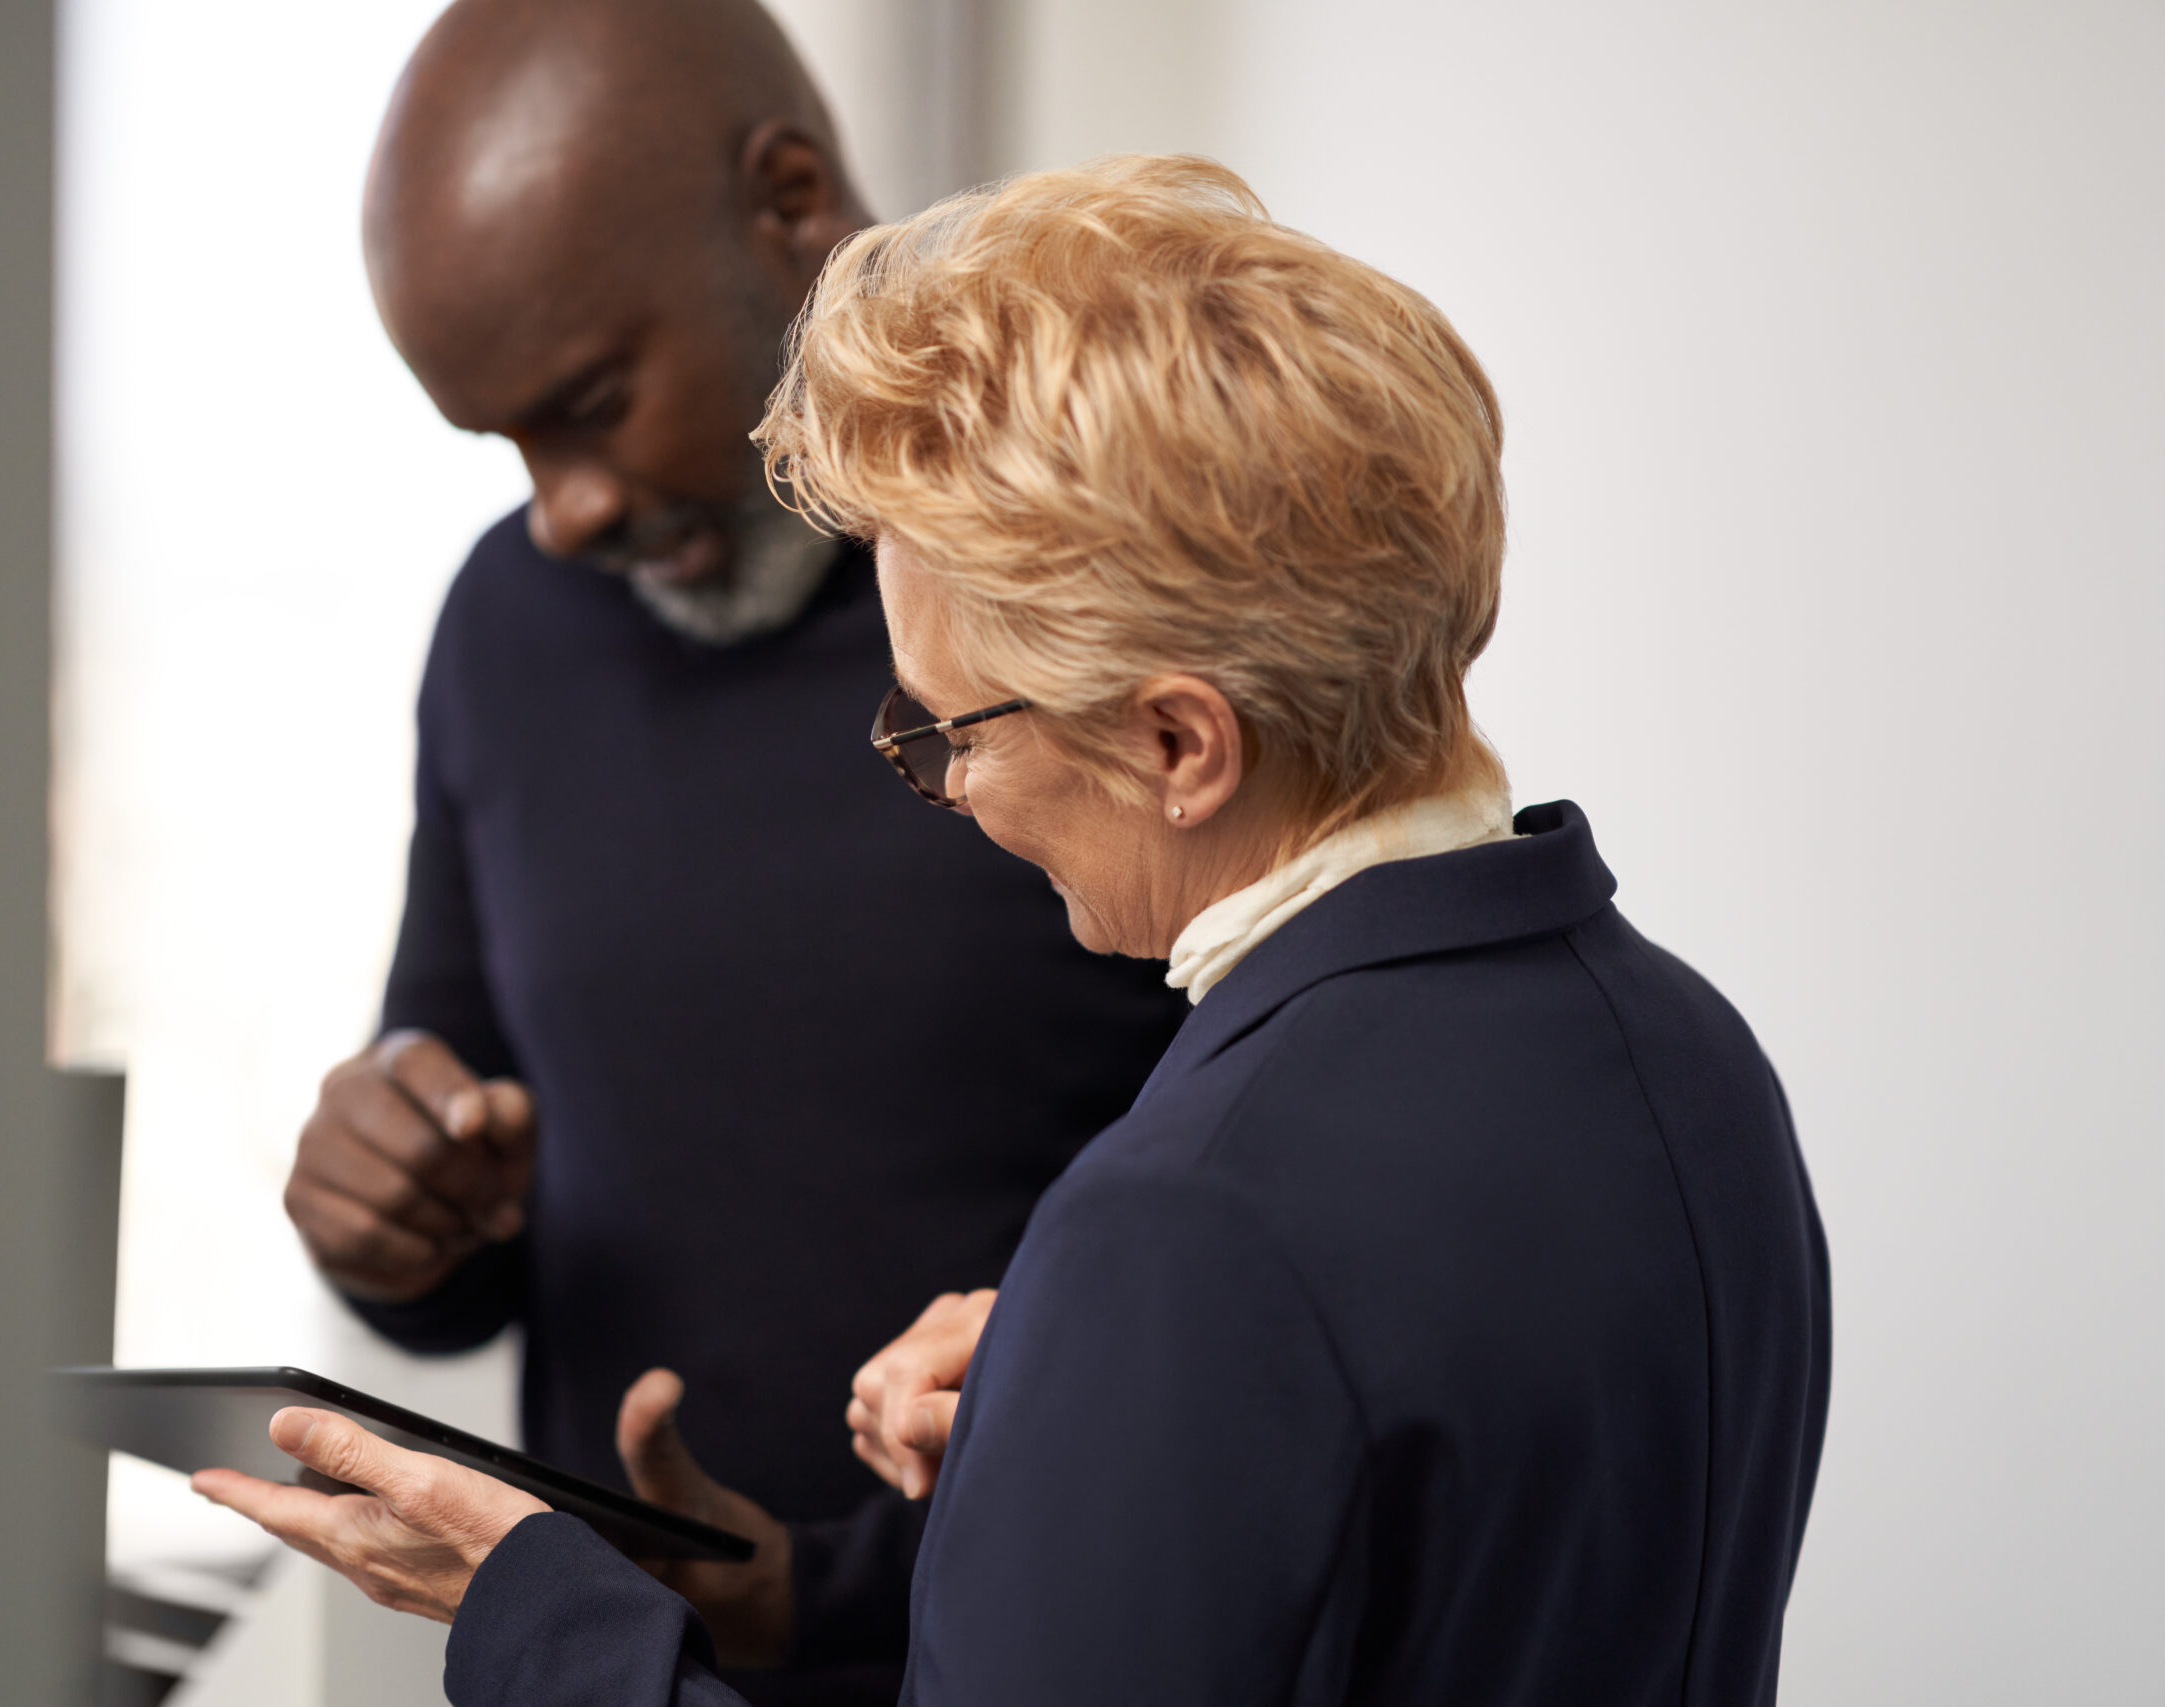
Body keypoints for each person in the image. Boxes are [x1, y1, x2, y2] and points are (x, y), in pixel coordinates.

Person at [204, 155, 1834, 1706]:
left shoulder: (1184, 1224)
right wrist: (1067, 1432)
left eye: (949, 733)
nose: (952, 791)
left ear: (1178, 745)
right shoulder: (1696, 1061)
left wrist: (538, 1614)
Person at [278, 3, 1188, 1699]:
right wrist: (386, 1218)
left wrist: (817, 1602)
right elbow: (470, 1218)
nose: (564, 511)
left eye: (594, 402)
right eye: (507, 447)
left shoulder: (1090, 591)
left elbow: (1256, 1285)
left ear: (790, 204)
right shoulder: (509, 626)